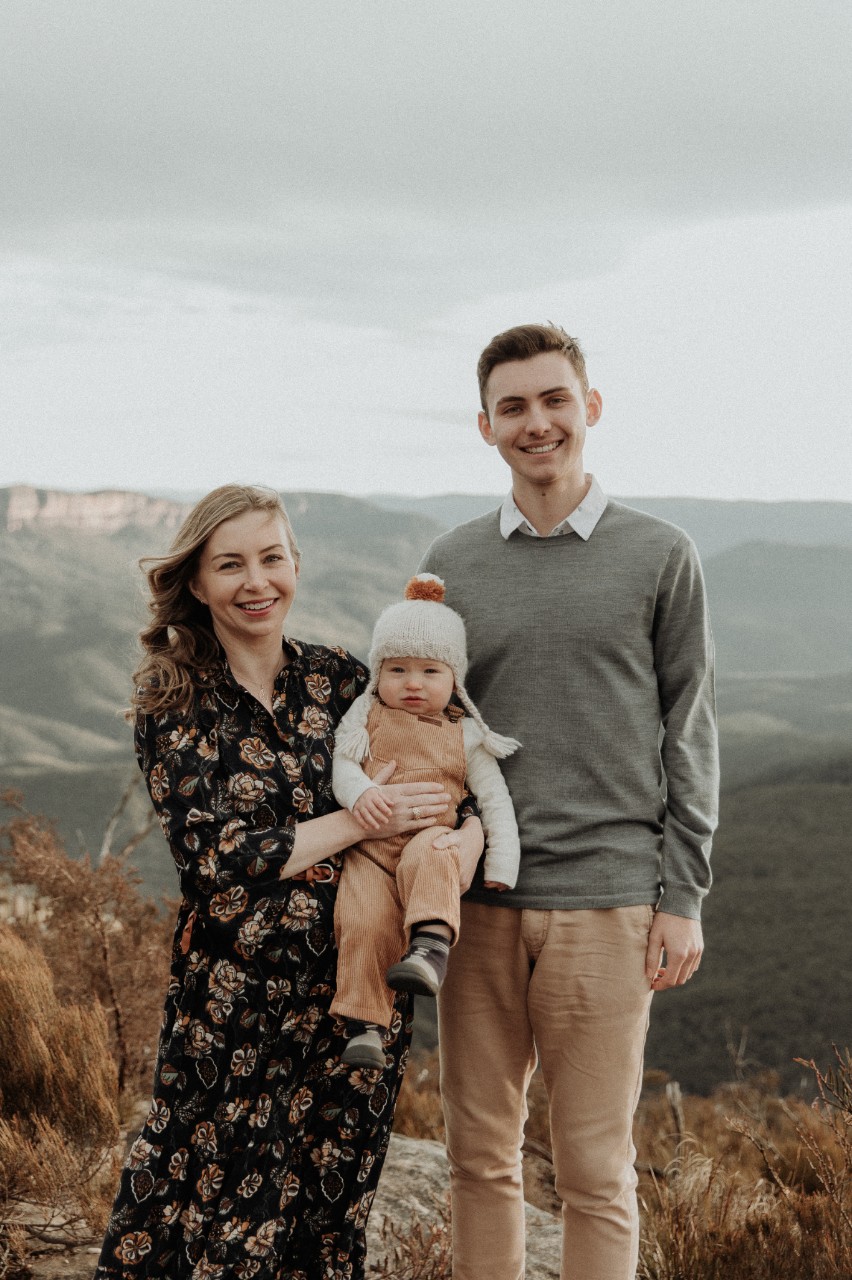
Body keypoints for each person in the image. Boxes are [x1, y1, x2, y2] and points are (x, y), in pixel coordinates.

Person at [94, 484, 484, 1280]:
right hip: (235, 1014)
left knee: (325, 1222)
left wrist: (469, 839)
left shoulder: (342, 679)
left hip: (355, 1007)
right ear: (197, 580)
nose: (257, 581)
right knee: (207, 1216)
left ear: (296, 565)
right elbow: (216, 859)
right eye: (230, 564)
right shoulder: (174, 699)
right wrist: (362, 823)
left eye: (272, 558)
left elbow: (444, 768)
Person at [419, 324, 719, 1280]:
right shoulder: (452, 562)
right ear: (485, 426)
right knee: (479, 1157)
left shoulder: (661, 554)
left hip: (610, 901)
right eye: (512, 407)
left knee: (595, 1170)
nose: (536, 423)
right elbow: (426, 718)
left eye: (554, 400)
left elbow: (690, 730)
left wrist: (683, 896)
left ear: (589, 407)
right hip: (479, 904)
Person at [328, 572, 521, 1070]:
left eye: (430, 671)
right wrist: (361, 792)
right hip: (370, 850)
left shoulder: (467, 734)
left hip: (431, 831)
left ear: (454, 679)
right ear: (378, 673)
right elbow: (343, 764)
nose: (412, 683)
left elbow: (494, 800)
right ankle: (366, 1027)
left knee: (435, 853)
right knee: (362, 918)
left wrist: (502, 862)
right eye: (397, 669)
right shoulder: (365, 713)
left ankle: (431, 946)